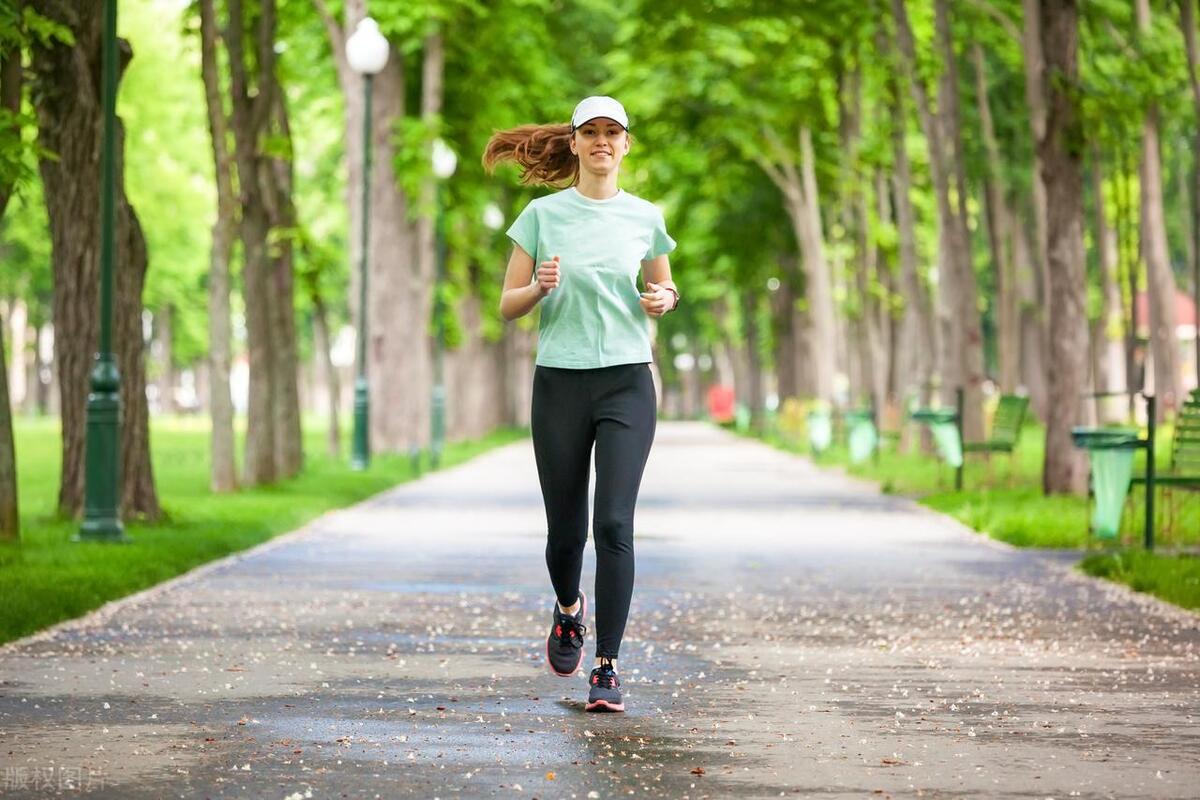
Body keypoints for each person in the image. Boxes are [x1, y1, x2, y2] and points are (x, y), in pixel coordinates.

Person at [484, 96, 678, 712]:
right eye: (590, 132)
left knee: (614, 523)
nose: (601, 142)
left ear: (626, 145)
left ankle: (607, 666)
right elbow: (506, 304)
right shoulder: (541, 216)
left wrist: (664, 299)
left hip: (626, 380)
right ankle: (569, 609)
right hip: (560, 383)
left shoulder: (645, 217)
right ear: (573, 144)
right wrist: (537, 288)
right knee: (566, 533)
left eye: (611, 133)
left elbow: (665, 284)